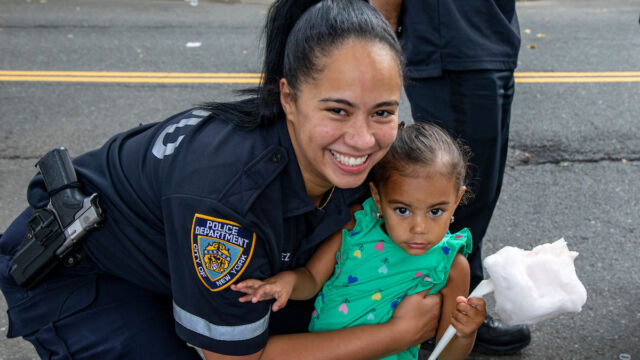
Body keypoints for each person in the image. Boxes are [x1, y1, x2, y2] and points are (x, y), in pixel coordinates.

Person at [0, 1, 445, 359]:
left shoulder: (352, 161)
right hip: (84, 269)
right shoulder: (228, 200)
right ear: (288, 97)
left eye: (383, 111)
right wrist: (396, 334)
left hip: (166, 252)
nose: (363, 139)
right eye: (338, 110)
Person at [232, 122, 487, 360]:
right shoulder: (357, 225)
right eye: (402, 210)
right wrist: (288, 283)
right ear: (377, 197)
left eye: (435, 211)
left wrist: (465, 333)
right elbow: (311, 278)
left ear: (456, 199)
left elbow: (445, 355)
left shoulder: (452, 266)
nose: (418, 228)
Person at [371, 0, 531, 355]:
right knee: (448, 202)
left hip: (491, 38)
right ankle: (442, 316)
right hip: (451, 44)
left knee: (478, 193)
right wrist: (379, 39)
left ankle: (454, 305)